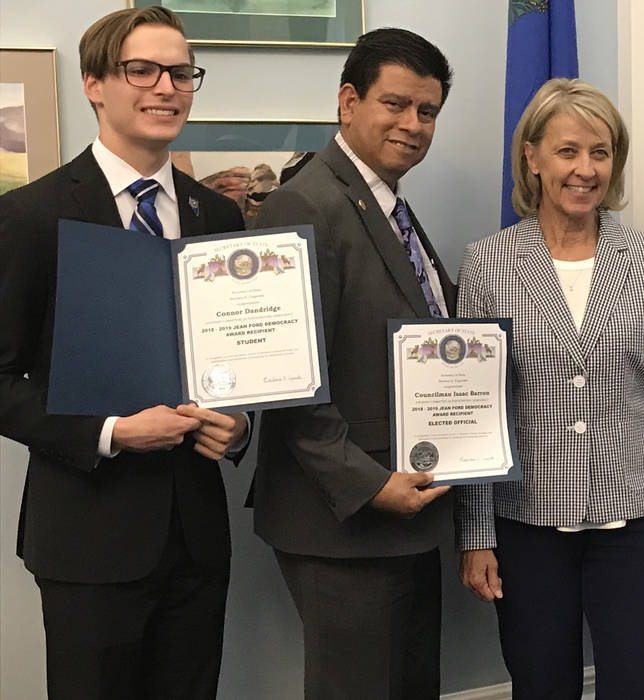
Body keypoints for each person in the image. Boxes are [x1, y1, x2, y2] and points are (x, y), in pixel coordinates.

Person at [0, 7, 247, 699]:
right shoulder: (33, 215)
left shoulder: (217, 217)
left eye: (180, 71)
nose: (165, 86)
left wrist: (240, 425)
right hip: (88, 537)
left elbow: (234, 356)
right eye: (142, 69)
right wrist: (111, 432)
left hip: (197, 538)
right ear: (94, 83)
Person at [456, 78, 644, 699]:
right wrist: (475, 535)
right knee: (541, 685)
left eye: (600, 152)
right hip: (527, 525)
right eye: (568, 151)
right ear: (533, 157)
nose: (585, 169)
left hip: (637, 524)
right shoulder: (486, 264)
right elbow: (472, 414)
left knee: (643, 684)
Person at [250, 27, 455, 700]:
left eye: (427, 111)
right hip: (345, 520)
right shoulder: (304, 203)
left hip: (405, 512)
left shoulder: (386, 202)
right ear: (347, 101)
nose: (413, 124)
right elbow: (285, 379)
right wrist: (368, 484)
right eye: (395, 104)